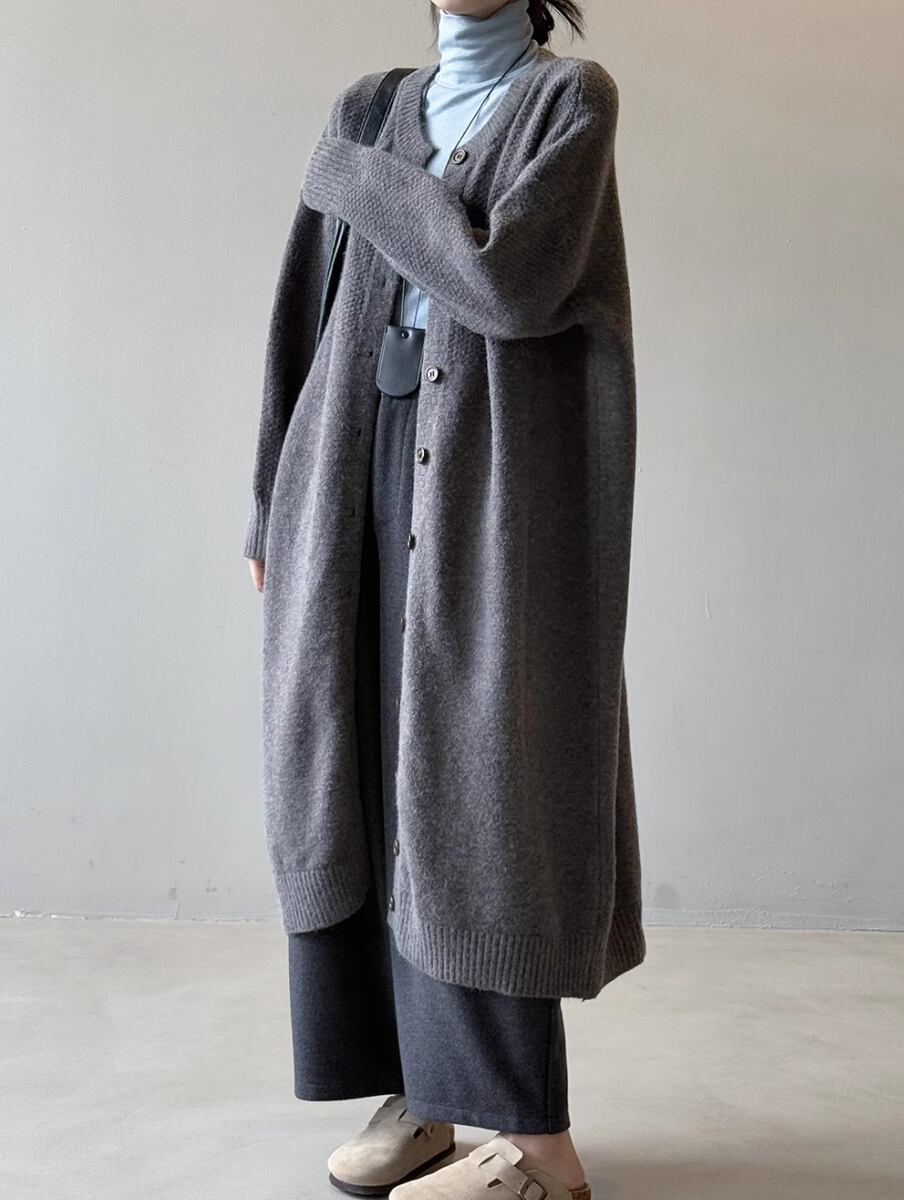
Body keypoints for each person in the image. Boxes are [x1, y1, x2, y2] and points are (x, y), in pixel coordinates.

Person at [242, 2, 645, 1197]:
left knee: (474, 789)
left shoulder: (567, 100)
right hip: (343, 468)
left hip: (487, 483)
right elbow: (303, 314)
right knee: (354, 773)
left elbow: (508, 285)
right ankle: (421, 1099)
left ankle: (537, 1149)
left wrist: (360, 180)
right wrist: (267, 503)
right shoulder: (369, 108)